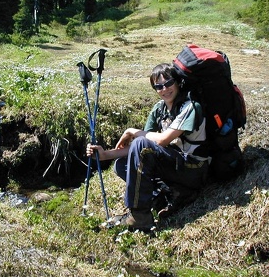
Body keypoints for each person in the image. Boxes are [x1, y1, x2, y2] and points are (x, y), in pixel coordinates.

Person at [86, 63, 209, 231]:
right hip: (175, 163)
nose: (164, 89)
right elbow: (141, 149)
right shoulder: (159, 109)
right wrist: (104, 155)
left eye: (168, 83)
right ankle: (166, 197)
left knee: (140, 143)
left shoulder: (190, 107)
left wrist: (131, 131)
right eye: (158, 86)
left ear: (178, 82)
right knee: (122, 165)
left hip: (194, 167)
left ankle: (139, 216)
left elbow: (160, 141)